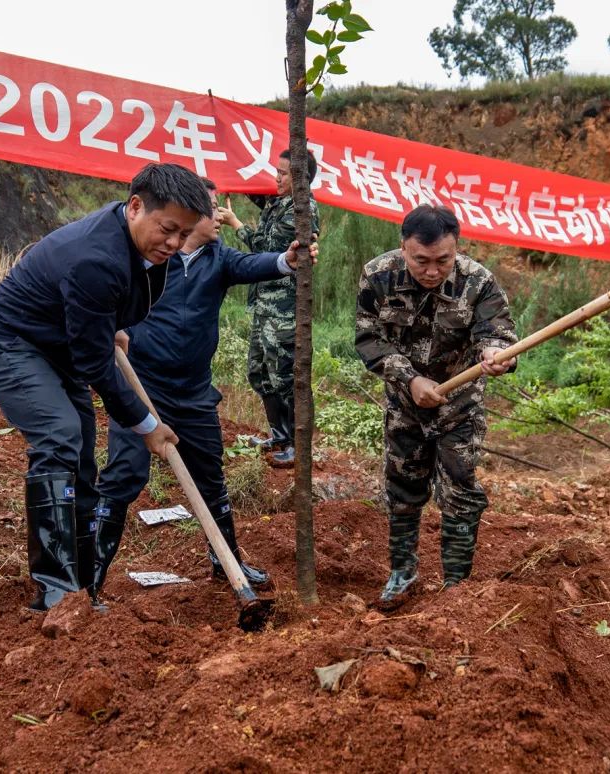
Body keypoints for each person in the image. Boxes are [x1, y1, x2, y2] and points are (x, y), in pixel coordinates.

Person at [0, 163, 212, 612]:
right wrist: (147, 426)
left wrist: (108, 325)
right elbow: (96, 366)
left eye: (184, 234)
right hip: (12, 344)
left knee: (82, 456)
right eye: (168, 230)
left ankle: (82, 589)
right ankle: (54, 590)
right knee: (59, 434)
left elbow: (107, 308)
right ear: (135, 206)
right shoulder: (95, 258)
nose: (174, 244)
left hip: (60, 345)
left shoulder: (135, 243)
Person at [92, 178, 318, 607]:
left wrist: (289, 260)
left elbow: (257, 264)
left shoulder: (219, 259)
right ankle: (92, 579)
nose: (219, 217)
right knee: (122, 478)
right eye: (212, 209)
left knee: (211, 480)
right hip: (141, 388)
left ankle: (227, 562)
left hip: (194, 394)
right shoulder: (149, 257)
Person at [354, 204, 517, 608]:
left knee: (460, 487)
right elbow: (369, 339)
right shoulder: (378, 276)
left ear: (456, 248)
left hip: (458, 407)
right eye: (420, 261)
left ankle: (455, 586)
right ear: (403, 248)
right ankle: (402, 573)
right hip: (405, 404)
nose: (431, 271)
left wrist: (497, 354)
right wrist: (410, 379)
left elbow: (497, 333)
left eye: (442, 261)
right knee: (402, 487)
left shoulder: (478, 281)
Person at [220, 149, 320, 466]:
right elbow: (257, 193)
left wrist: (236, 223)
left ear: (301, 179)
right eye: (276, 171)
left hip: (286, 309)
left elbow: (268, 250)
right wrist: (231, 165)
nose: (276, 178)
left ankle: (299, 447)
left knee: (286, 377)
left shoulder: (302, 211)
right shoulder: (279, 202)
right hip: (265, 304)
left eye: (283, 173)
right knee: (260, 372)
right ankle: (279, 436)